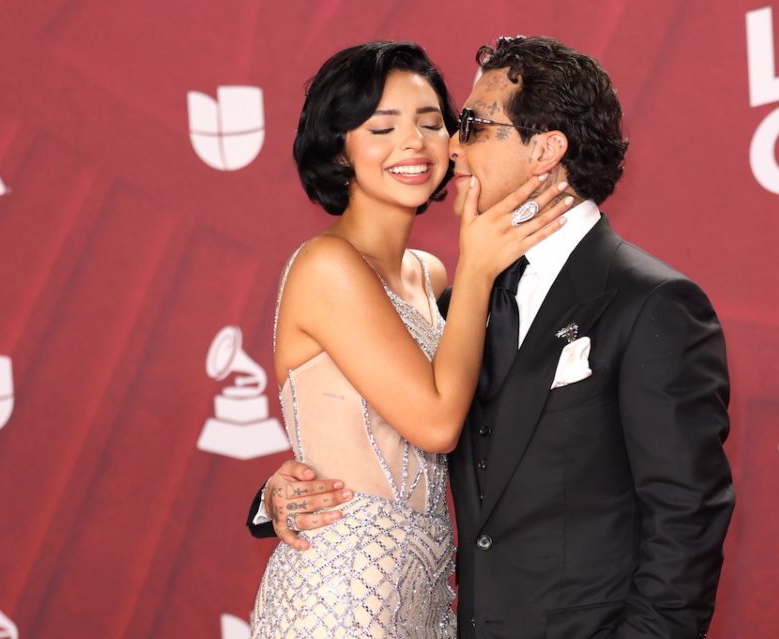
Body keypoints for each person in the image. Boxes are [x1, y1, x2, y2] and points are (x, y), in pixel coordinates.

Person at [251, 36, 735, 638]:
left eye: (459, 123)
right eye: (383, 126)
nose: (445, 144)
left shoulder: (649, 303)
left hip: (443, 612)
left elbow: (686, 517)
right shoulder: (463, 294)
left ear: (546, 150)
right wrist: (281, 493)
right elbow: (415, 426)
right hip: (356, 603)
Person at [248, 41, 573, 639]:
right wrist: (478, 268)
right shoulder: (327, 266)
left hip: (429, 593)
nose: (413, 144)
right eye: (381, 126)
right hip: (339, 595)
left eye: (431, 123)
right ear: (338, 148)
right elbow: (435, 423)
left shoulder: (432, 274)